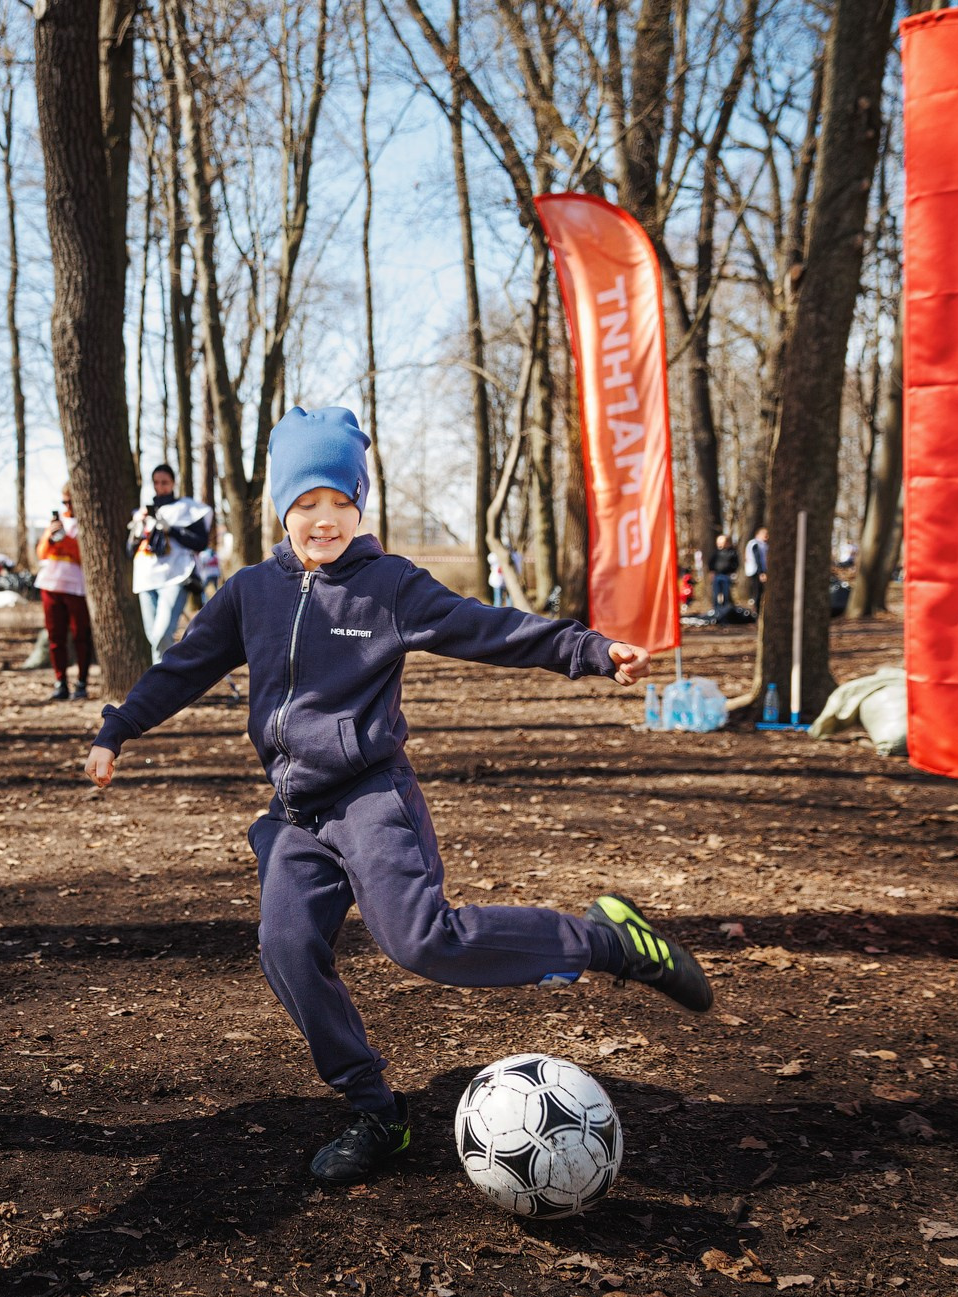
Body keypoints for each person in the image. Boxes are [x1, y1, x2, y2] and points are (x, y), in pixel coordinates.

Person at [83, 406, 712, 1186]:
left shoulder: (389, 587)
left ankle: (608, 942)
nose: (323, 518)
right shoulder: (251, 592)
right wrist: (118, 727)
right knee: (286, 948)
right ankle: (377, 1111)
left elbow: (490, 628)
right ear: (281, 507)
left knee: (423, 942)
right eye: (306, 502)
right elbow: (183, 666)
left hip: (369, 794)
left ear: (360, 503)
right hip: (295, 814)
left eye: (339, 501)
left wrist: (588, 649)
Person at [128, 464, 212, 662]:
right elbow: (129, 551)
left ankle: (164, 678)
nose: (160, 487)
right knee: (154, 638)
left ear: (173, 483)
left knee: (162, 634)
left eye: (164, 482)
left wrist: (171, 529)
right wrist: (137, 529)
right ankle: (166, 676)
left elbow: (201, 542)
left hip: (175, 576)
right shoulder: (143, 512)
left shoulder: (188, 508)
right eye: (156, 482)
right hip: (145, 579)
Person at [35, 485, 92, 702]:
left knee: (80, 635)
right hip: (50, 585)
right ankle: (60, 681)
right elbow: (41, 553)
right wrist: (51, 538)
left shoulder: (85, 523)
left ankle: (82, 682)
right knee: (55, 636)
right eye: (64, 502)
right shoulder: (55, 524)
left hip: (76, 587)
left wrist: (65, 540)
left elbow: (82, 554)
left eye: (71, 502)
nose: (68, 506)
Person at [707, 534, 738, 614]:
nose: (720, 544)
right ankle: (716, 609)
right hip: (717, 575)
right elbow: (711, 563)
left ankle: (726, 609)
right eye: (718, 543)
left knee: (726, 593)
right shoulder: (716, 553)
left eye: (722, 542)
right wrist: (712, 571)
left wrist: (732, 571)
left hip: (726, 575)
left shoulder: (732, 552)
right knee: (716, 593)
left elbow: (735, 563)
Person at [743, 526, 769, 614]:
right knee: (757, 592)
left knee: (759, 592)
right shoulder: (755, 544)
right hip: (756, 571)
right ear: (758, 534)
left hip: (758, 570)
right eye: (765, 534)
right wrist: (761, 572)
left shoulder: (762, 544)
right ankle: (756, 612)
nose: (767, 537)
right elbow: (757, 559)